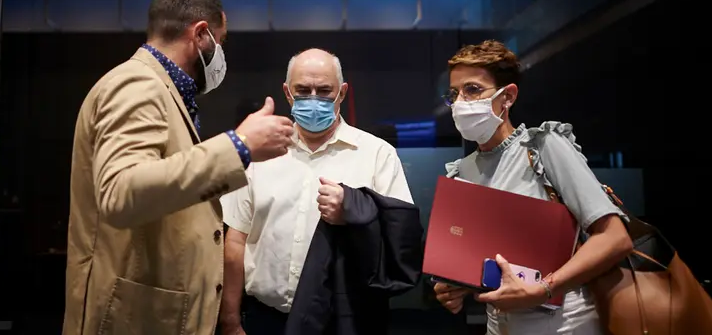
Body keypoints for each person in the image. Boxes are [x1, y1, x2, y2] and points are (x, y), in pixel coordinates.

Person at [63, 0, 295, 335]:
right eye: (221, 40)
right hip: (132, 318)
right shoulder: (137, 84)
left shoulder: (165, 90)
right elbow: (121, 192)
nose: (221, 53)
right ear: (201, 34)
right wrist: (240, 146)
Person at [432, 40, 633, 335]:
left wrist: (543, 289)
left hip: (565, 323)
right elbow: (490, 259)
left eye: (472, 90)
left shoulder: (542, 146)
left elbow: (614, 238)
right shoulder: (463, 171)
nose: (461, 102)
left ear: (508, 96)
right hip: (499, 325)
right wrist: (456, 286)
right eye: (455, 94)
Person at [218, 48, 415, 335]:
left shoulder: (377, 154)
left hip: (346, 322)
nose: (313, 99)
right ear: (287, 93)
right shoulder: (258, 154)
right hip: (265, 319)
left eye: (324, 91)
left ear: (342, 93)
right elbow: (235, 240)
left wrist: (353, 210)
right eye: (303, 90)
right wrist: (230, 320)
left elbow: (399, 239)